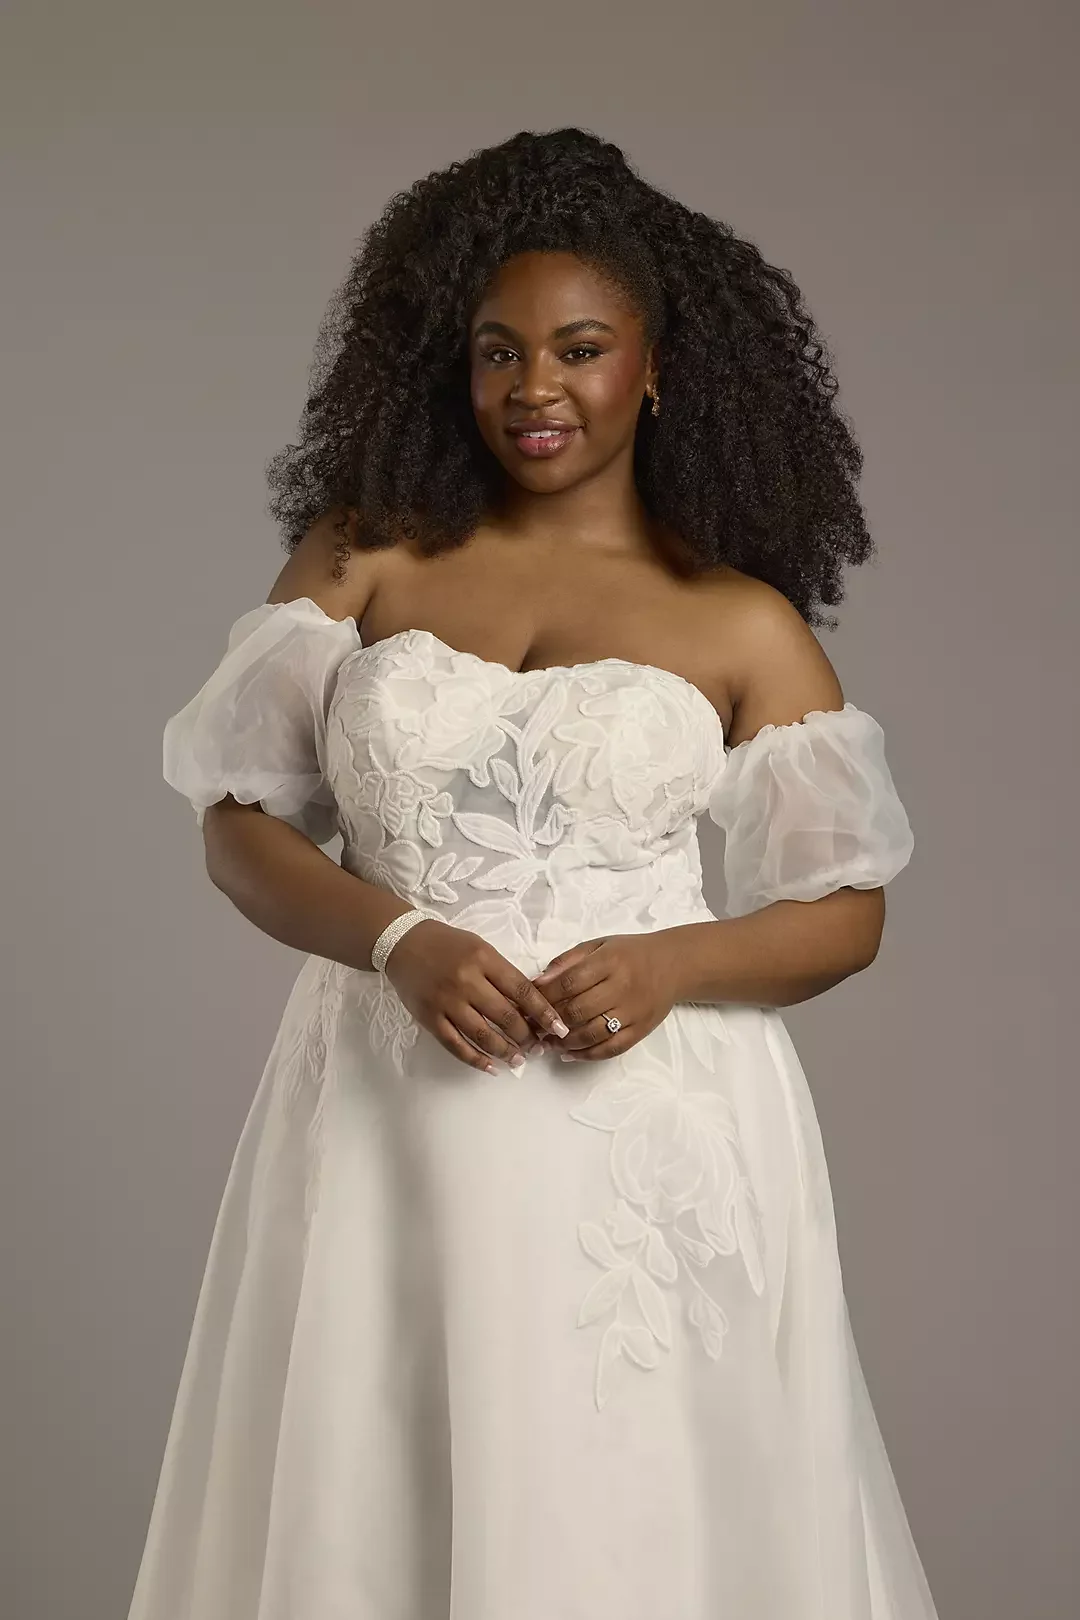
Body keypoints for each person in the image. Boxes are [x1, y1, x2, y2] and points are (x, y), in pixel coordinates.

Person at [128, 127, 939, 1619]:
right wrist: (397, 942)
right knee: (372, 1483)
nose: (534, 390)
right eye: (499, 353)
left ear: (657, 363)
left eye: (577, 349)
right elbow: (236, 826)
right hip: (383, 1094)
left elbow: (846, 911)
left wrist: (676, 962)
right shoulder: (364, 556)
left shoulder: (743, 623)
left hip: (642, 1126)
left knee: (632, 1500)